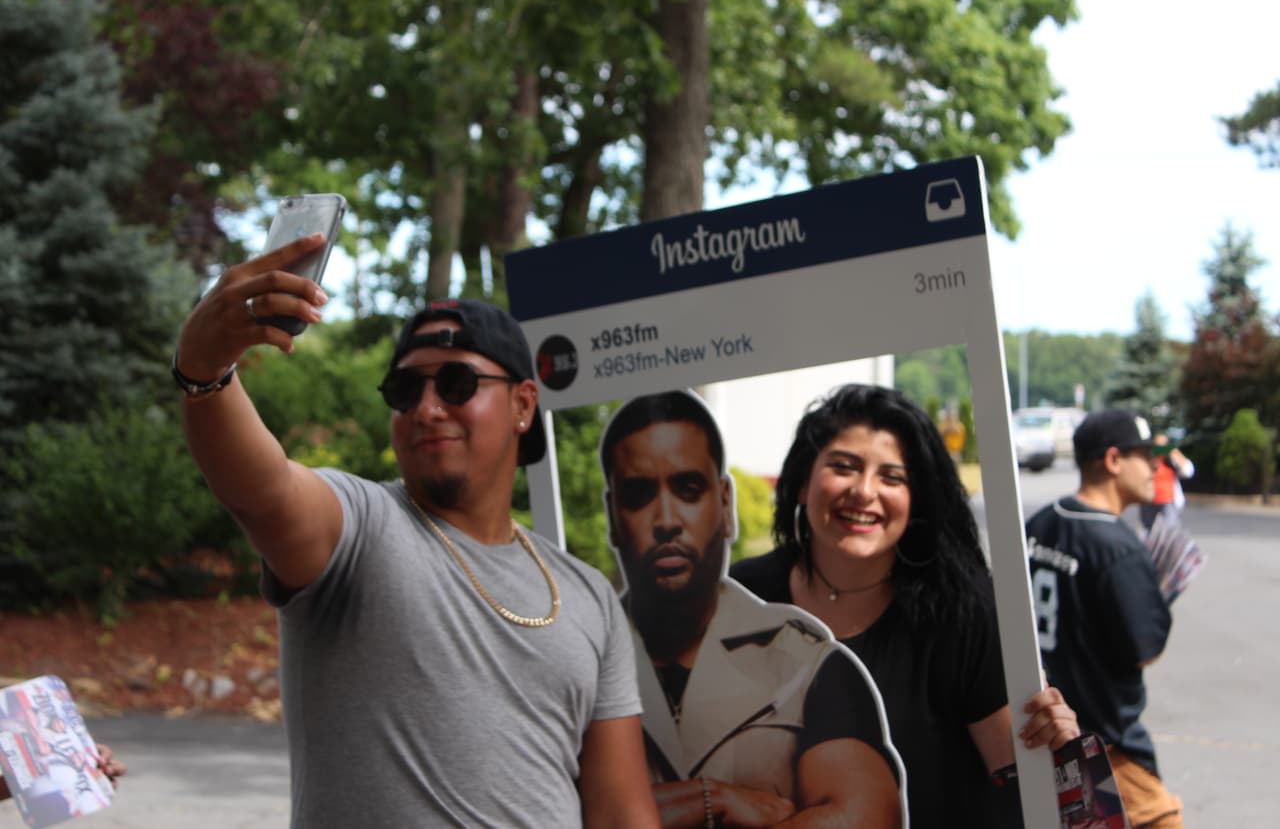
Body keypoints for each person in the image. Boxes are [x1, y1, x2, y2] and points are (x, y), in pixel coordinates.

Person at [174, 234, 659, 828]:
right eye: (406, 389)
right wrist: (204, 369)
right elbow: (261, 489)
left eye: (457, 384)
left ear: (523, 405)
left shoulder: (588, 597)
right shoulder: (360, 527)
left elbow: (622, 814)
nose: (428, 407)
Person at [731, 384, 1079, 829]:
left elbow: (1021, 781)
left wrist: (1053, 746)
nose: (863, 491)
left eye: (891, 478)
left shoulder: (963, 612)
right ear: (802, 482)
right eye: (844, 467)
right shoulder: (743, 594)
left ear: (916, 502)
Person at [600, 390, 904, 828]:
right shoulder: (577, 662)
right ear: (612, 516)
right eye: (639, 494)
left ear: (725, 504)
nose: (666, 518)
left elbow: (865, 817)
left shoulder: (807, 665)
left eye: (688, 489)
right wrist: (711, 800)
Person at [1025, 410, 1181, 829]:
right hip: (1106, 748)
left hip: (1042, 737)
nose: (1155, 466)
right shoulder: (1118, 547)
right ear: (1113, 460)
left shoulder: (1041, 520)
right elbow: (1144, 649)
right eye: (1145, 455)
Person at [1138, 433, 1195, 531]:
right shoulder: (1147, 456)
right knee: (1147, 529)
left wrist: (1174, 453)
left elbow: (1188, 471)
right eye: (1158, 444)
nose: (1161, 447)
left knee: (1169, 529)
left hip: (1167, 500)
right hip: (1149, 500)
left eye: (1163, 444)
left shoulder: (1170, 459)